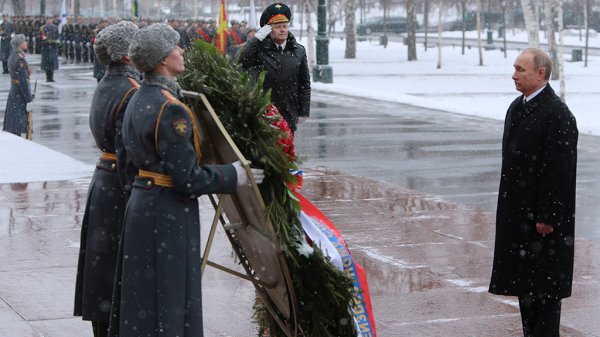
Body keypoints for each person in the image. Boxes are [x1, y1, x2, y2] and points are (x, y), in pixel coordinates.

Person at [107, 23, 264, 337]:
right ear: (163, 59)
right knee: (171, 298)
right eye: (176, 47)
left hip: (143, 206)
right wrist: (232, 175)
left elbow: (127, 163)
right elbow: (187, 180)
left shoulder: (138, 98)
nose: (182, 51)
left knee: (144, 300)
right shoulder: (171, 109)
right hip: (167, 215)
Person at [489, 48, 578, 337]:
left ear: (541, 74)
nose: (514, 75)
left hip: (544, 227)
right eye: (514, 68)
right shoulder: (517, 107)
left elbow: (560, 171)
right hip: (520, 219)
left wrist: (548, 215)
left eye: (520, 70)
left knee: (545, 296)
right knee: (526, 291)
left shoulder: (557, 114)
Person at [73, 21, 141, 337]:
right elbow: (131, 153)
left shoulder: (108, 83)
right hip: (121, 187)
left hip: (105, 180)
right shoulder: (130, 90)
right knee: (119, 272)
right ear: (126, 54)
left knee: (103, 273)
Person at [239, 2, 311, 133]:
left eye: (285, 26)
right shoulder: (259, 50)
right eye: (278, 27)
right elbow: (243, 59)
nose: (283, 29)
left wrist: (303, 111)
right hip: (264, 109)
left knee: (287, 151)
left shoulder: (299, 50)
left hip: (289, 110)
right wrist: (256, 38)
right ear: (269, 30)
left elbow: (304, 83)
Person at [2, 34, 33, 137]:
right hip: (19, 94)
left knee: (14, 124)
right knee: (17, 125)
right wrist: (28, 99)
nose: (26, 43)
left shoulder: (13, 56)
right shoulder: (19, 59)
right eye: (24, 41)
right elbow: (23, 81)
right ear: (20, 44)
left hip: (14, 91)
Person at [40, 18, 59, 82]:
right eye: (48, 20)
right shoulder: (43, 28)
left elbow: (57, 35)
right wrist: (42, 37)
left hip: (53, 46)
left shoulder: (55, 27)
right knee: (46, 62)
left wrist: (58, 40)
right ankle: (47, 77)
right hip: (46, 46)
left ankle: (51, 77)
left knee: (52, 62)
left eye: (50, 20)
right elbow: (40, 35)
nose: (49, 21)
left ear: (52, 20)